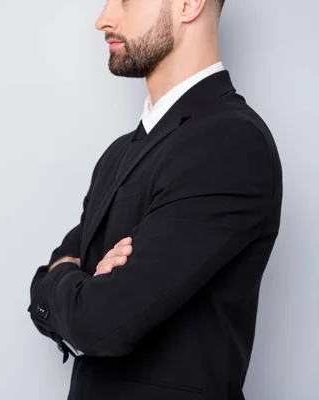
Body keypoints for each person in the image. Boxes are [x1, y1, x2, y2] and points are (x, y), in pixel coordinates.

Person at [27, 0, 283, 399]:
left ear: (188, 5)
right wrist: (75, 285)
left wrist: (65, 280)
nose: (103, 20)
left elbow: (98, 323)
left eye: (125, 0)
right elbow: (53, 287)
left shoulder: (230, 143)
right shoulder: (117, 154)